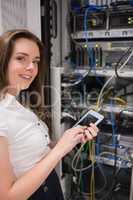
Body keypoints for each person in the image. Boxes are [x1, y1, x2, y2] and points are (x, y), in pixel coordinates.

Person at [0, 29, 99, 200]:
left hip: (49, 185)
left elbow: (30, 153)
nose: (31, 67)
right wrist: (60, 150)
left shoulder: (14, 102)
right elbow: (7, 196)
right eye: (20, 58)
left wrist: (67, 141)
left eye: (36, 61)